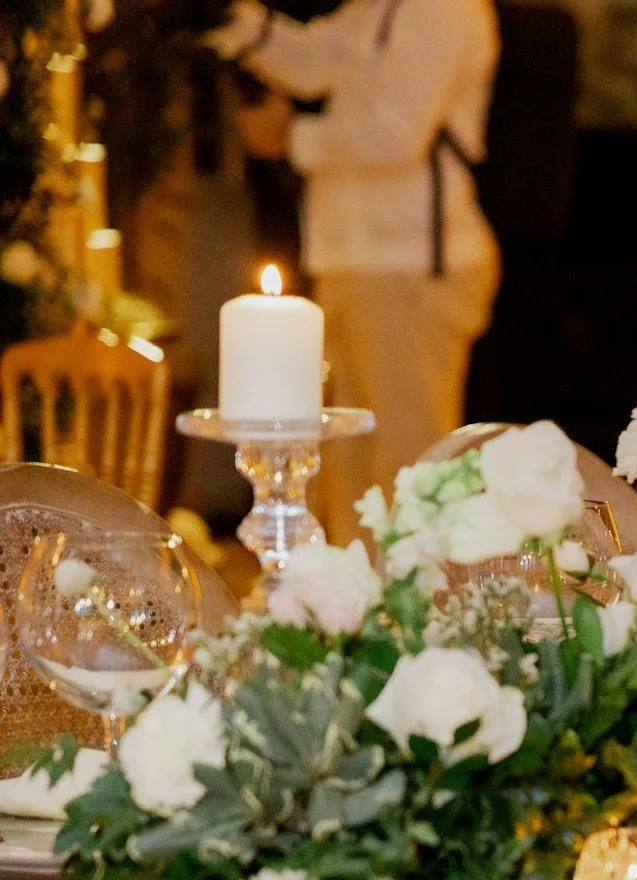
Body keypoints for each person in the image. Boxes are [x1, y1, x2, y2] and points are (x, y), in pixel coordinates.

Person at [208, 0, 500, 534]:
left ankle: (411, 616)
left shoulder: (443, 8)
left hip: (408, 266)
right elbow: (316, 58)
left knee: (407, 473)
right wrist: (234, 24)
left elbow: (396, 133)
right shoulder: (381, 7)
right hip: (356, 263)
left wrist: (292, 139)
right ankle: (350, 612)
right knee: (342, 470)